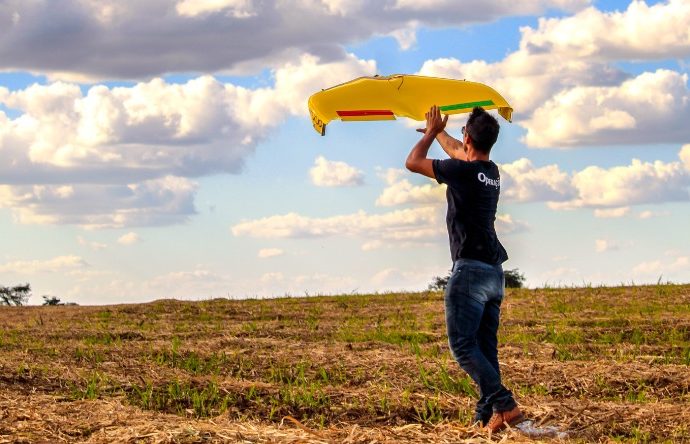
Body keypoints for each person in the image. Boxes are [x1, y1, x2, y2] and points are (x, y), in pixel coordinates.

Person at [405, 105, 523, 433]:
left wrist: (429, 134)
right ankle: (489, 417)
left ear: (468, 136)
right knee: (485, 348)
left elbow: (413, 162)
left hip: (469, 270)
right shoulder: (490, 171)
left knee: (462, 345)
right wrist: (439, 130)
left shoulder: (462, 172)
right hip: (493, 273)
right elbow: (460, 151)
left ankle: (505, 404)